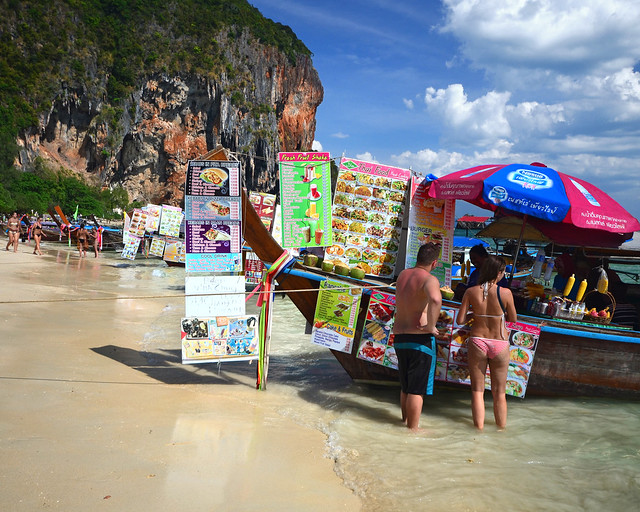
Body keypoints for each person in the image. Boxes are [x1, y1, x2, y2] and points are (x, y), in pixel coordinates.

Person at [456, 255, 517, 430]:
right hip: (499, 342)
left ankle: (479, 431)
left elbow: (460, 320)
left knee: (477, 391)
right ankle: (501, 430)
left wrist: (475, 315)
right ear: (499, 273)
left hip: (478, 341)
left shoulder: (471, 291)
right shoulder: (506, 293)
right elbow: (513, 318)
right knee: (499, 393)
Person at [392, 242, 442, 431]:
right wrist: (430, 326)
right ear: (434, 263)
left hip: (400, 337)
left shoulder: (403, 275)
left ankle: (403, 422)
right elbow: (436, 299)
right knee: (416, 389)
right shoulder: (429, 279)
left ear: (417, 258)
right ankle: (413, 431)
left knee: (405, 386)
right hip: (419, 339)